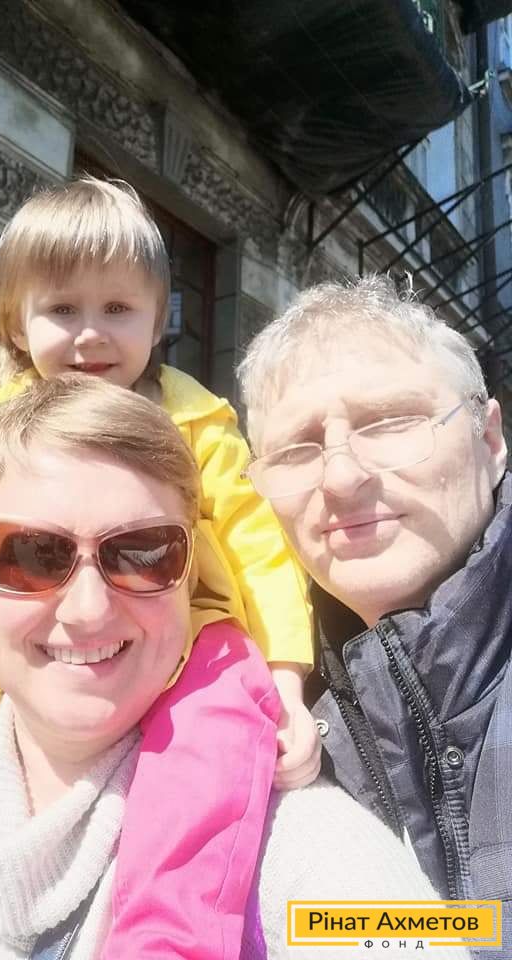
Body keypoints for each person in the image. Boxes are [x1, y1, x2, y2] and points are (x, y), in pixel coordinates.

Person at [0, 377, 471, 960]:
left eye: (143, 553)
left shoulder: (304, 845)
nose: (88, 609)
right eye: (29, 554)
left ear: (193, 578)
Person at [238, 274, 511, 957]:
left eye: (389, 422)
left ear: (490, 439)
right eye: (296, 449)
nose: (340, 478)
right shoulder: (252, 714)